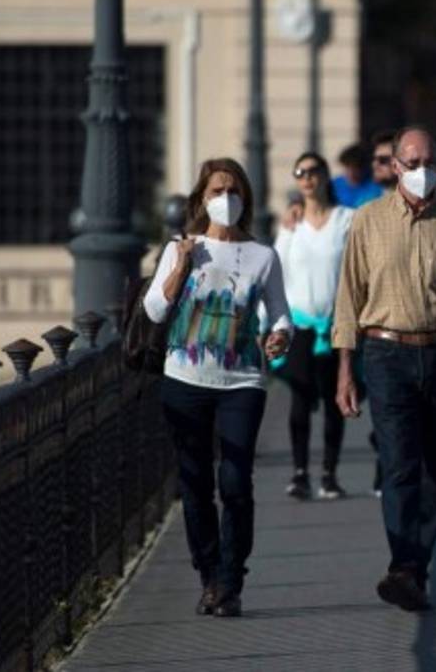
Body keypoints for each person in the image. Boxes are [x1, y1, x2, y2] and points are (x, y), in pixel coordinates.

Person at [332, 126, 436, 612]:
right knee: (400, 465)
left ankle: (413, 570)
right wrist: (345, 366)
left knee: (432, 474)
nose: (424, 171)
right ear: (395, 166)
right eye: (414, 162)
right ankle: (404, 566)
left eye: (432, 161)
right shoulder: (368, 220)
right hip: (385, 354)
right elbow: (349, 294)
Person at [143, 157, 291, 618]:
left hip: (242, 381)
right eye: (215, 191)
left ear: (245, 198)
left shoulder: (264, 256)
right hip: (184, 380)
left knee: (235, 481)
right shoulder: (182, 248)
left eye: (233, 191)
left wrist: (281, 334)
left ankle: (230, 577)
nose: (225, 199)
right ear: (201, 199)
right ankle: (209, 574)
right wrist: (181, 265)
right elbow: (153, 311)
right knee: (195, 484)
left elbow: (281, 312)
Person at [274, 152, 355, 500]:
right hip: (300, 326)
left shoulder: (346, 220)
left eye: (313, 171)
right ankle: (300, 471)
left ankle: (329, 473)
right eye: (300, 172)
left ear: (325, 176)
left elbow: (356, 270)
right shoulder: (290, 227)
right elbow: (276, 273)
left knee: (334, 397)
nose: (307, 178)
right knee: (300, 397)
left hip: (336, 325)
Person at [333, 142, 384, 209]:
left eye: (355, 168)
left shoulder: (377, 186)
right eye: (347, 167)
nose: (351, 173)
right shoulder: (333, 186)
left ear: (364, 167)